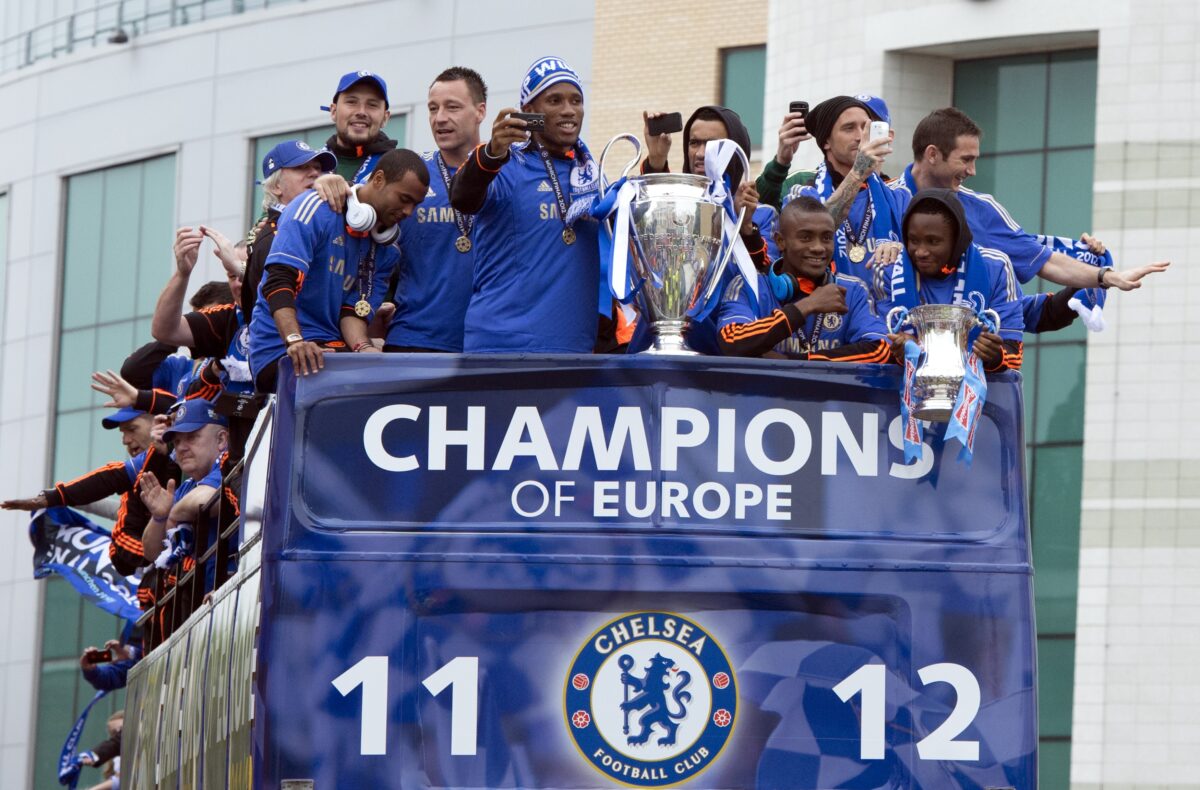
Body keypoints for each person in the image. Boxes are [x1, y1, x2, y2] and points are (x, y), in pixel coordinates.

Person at [893, 107, 1169, 292]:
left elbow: (1043, 260)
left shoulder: (983, 209)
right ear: (932, 154)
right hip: (881, 354)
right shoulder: (880, 200)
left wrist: (1107, 277)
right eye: (965, 160)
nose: (972, 171)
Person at [449, 56, 602, 353]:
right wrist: (492, 154)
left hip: (574, 350)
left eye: (576, 100)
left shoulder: (592, 176)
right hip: (501, 347)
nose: (569, 110)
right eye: (555, 100)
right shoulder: (506, 163)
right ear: (529, 111)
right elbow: (462, 198)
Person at [248, 148, 428, 392]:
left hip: (331, 346)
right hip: (280, 347)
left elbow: (353, 311)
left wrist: (364, 349)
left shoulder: (387, 248)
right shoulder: (314, 207)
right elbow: (279, 281)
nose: (407, 212)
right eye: (404, 199)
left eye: (415, 205)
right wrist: (295, 341)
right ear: (378, 179)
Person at [716, 197, 891, 361]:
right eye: (805, 237)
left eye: (826, 238)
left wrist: (796, 362)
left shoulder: (853, 290)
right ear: (780, 241)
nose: (818, 248)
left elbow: (880, 349)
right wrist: (806, 306)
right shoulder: (749, 286)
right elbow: (731, 341)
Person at [876, 189, 1024, 372]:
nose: (920, 251)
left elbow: (1014, 354)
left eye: (933, 242)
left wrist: (994, 355)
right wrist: (901, 350)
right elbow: (878, 349)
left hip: (982, 395)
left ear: (957, 240)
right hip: (905, 395)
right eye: (913, 240)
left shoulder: (996, 267)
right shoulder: (889, 271)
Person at [786, 95, 906, 284]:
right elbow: (818, 231)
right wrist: (858, 173)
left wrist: (904, 251)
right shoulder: (802, 194)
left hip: (887, 311)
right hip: (828, 306)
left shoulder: (899, 196)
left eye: (865, 127)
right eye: (849, 128)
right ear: (826, 141)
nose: (860, 136)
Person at [641, 105, 773, 264]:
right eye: (694, 143)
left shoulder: (763, 215)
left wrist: (745, 225)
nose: (700, 153)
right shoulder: (676, 207)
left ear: (736, 150)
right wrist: (656, 161)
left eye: (713, 145)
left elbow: (766, 276)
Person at [242, 141, 338, 320]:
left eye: (318, 167)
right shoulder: (273, 236)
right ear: (276, 186)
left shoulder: (324, 226)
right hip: (293, 343)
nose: (315, 173)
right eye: (301, 168)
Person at [321, 70, 396, 184]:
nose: (361, 112)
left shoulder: (398, 169)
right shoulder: (311, 166)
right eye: (351, 102)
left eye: (372, 105)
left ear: (385, 118)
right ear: (334, 111)